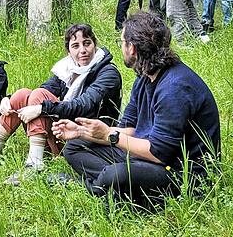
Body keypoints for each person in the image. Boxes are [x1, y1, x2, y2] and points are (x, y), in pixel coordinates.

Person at [54, 12, 221, 209]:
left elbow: (159, 153)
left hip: (181, 173)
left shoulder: (174, 88)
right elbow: (132, 129)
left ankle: (97, 188)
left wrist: (109, 135)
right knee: (75, 146)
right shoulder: (144, 77)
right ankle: (116, 186)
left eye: (122, 41)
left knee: (118, 174)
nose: (121, 46)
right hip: (151, 155)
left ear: (131, 48)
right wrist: (84, 132)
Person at [0, 24, 122, 186]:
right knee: (23, 94)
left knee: (39, 98)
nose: (82, 50)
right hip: (64, 132)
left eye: (87, 43)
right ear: (68, 51)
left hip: (86, 141)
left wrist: (42, 108)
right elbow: (42, 89)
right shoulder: (68, 69)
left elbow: (83, 105)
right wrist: (6, 99)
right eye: (75, 46)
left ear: (94, 44)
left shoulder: (108, 73)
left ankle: (35, 164)